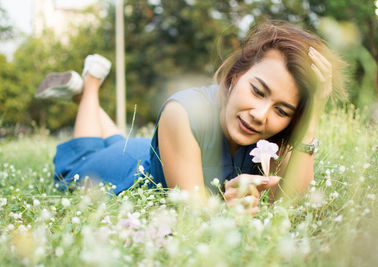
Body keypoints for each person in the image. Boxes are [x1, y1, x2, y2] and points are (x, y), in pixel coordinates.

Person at [36, 20, 346, 214]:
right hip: (126, 165)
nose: (260, 115)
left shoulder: (274, 134)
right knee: (83, 160)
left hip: (153, 148)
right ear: (237, 74)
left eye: (282, 110)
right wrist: (224, 209)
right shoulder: (182, 112)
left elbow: (292, 204)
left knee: (116, 137)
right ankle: (90, 84)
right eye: (258, 91)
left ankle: (80, 94)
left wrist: (313, 113)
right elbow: (195, 214)